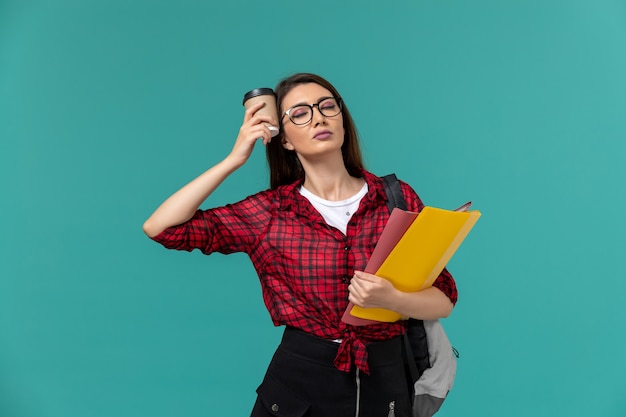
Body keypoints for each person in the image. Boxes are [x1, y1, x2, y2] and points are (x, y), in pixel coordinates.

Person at [143, 72, 457, 417]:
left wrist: (392, 300)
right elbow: (162, 228)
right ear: (285, 139)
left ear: (342, 119)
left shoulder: (396, 198)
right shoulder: (269, 213)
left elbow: (442, 299)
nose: (318, 117)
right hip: (300, 385)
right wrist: (235, 158)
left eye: (326, 106)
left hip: (385, 381)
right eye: (300, 113)